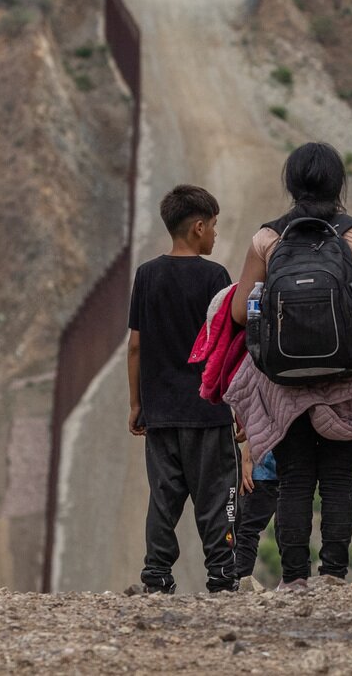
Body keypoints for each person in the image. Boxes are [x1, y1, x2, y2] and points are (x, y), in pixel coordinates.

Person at [224, 142, 352, 590]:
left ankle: (293, 579)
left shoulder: (269, 239)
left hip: (285, 385)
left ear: (290, 184)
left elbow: (236, 314)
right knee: (340, 482)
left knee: (293, 483)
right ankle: (330, 575)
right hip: (350, 380)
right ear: (337, 183)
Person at [127, 185, 238, 594]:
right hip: (209, 412)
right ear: (197, 227)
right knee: (219, 496)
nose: (215, 235)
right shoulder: (216, 278)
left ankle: (156, 575)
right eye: (213, 226)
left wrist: (136, 403)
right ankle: (223, 574)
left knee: (163, 497)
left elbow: (136, 345)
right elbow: (225, 348)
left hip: (161, 412)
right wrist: (238, 408)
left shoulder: (146, 275)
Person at [234, 450, 278, 585]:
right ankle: (299, 581)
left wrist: (248, 452)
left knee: (246, 530)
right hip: (297, 472)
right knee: (292, 532)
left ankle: (238, 583)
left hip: (265, 469)